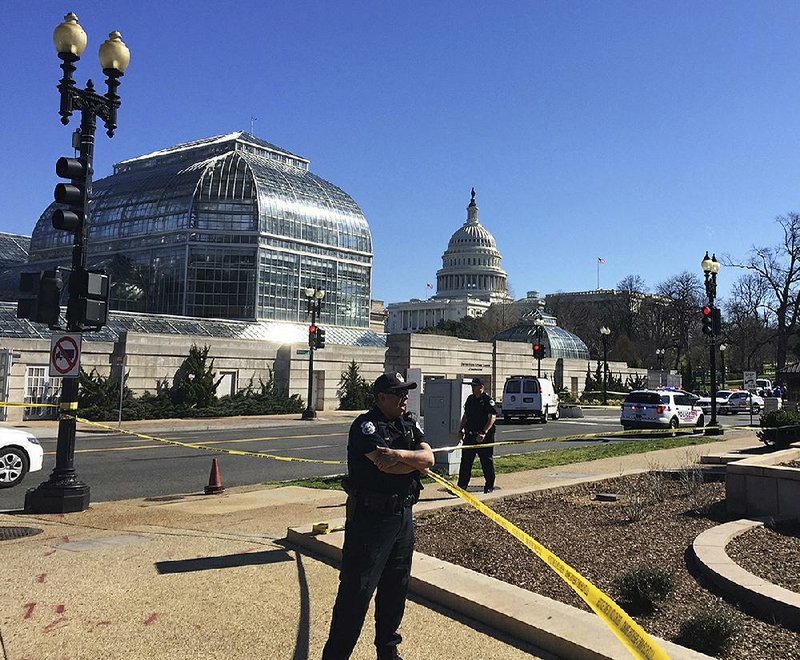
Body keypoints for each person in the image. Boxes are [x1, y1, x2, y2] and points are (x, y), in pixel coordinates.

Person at [322, 373, 434, 660]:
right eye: (398, 393)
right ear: (381, 397)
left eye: (406, 392)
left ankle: (388, 652)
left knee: (396, 588)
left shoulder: (407, 423)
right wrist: (412, 462)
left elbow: (429, 460)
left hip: (402, 517)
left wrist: (398, 454)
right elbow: (389, 468)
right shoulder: (365, 426)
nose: (405, 398)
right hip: (371, 520)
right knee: (356, 593)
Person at [457, 377, 498, 494]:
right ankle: (461, 486)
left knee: (486, 462)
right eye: (472, 386)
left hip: (484, 437)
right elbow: (466, 416)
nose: (473, 388)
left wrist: (484, 432)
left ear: (481, 387)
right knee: (465, 461)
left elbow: (492, 417)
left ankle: (489, 485)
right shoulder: (470, 399)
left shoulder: (487, 400)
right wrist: (460, 430)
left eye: (475, 386)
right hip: (470, 435)